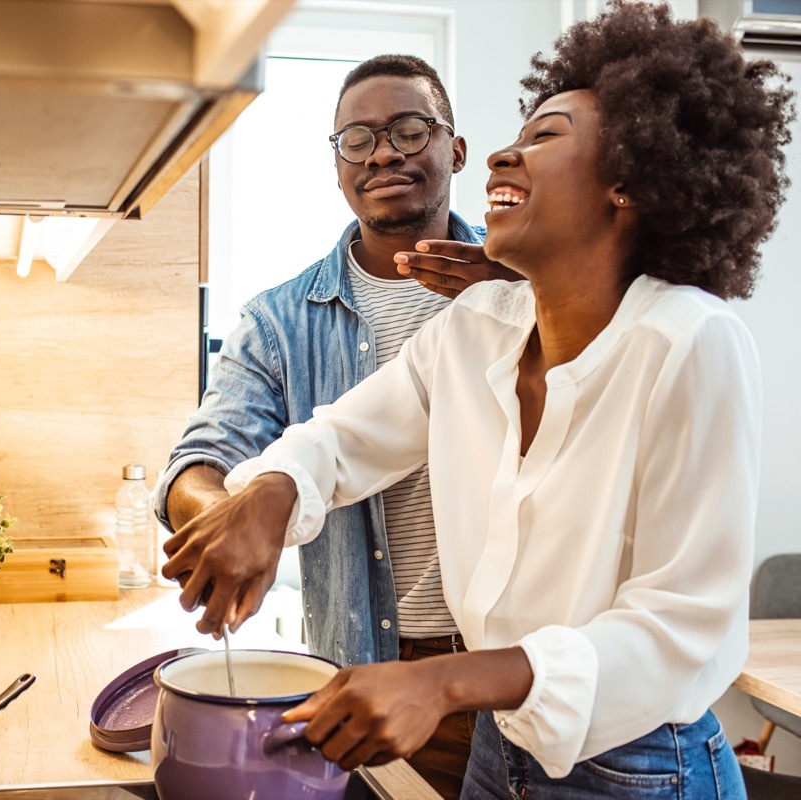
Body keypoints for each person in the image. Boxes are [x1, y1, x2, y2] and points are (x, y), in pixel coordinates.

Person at [161, 1, 796, 797]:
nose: (505, 153)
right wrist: (274, 490)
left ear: (628, 181)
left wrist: (449, 682)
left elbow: (684, 630)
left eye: (545, 137)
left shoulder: (686, 341)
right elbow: (341, 440)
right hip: (504, 754)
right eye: (518, 133)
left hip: (644, 767)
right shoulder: (479, 327)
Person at [154, 54, 514, 798]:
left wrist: (525, 287)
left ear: (455, 150)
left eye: (409, 130)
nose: (382, 152)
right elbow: (200, 462)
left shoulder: (515, 293)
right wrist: (231, 522)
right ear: (337, 166)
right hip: (366, 686)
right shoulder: (278, 321)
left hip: (514, 682)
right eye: (357, 139)